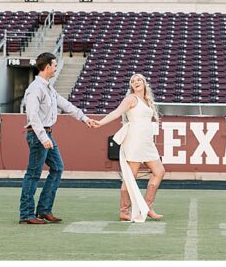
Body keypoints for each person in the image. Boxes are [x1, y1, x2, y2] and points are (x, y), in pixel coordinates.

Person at [19, 52, 97, 225]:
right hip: (39, 134)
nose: (55, 68)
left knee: (57, 168)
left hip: (46, 134)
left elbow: (66, 105)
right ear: (47, 67)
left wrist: (85, 118)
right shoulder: (35, 88)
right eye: (54, 65)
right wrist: (43, 137)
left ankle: (43, 210)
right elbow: (32, 115)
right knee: (33, 174)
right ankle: (26, 214)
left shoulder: (48, 88)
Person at [93, 73, 166, 222]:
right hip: (135, 141)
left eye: (139, 79)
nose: (136, 82)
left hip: (147, 142)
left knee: (159, 171)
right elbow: (116, 112)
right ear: (131, 86)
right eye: (133, 81)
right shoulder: (131, 99)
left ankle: (147, 206)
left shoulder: (147, 100)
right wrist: (101, 122)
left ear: (144, 83)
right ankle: (124, 211)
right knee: (130, 177)